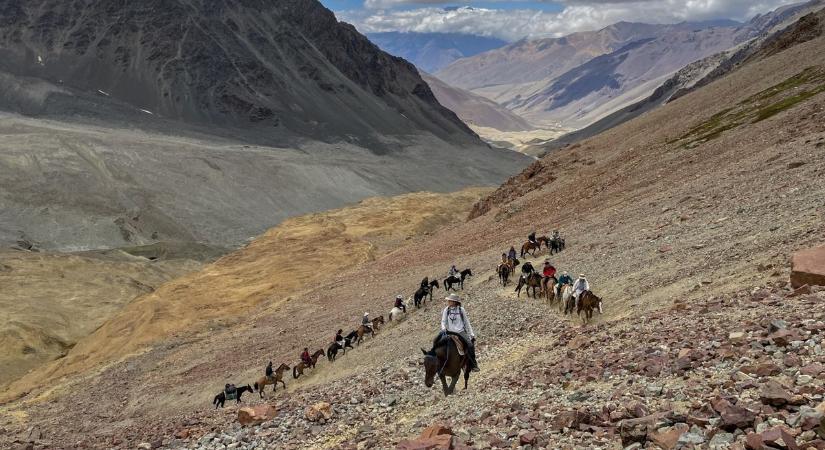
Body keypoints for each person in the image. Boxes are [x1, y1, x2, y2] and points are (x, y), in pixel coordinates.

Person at [439, 293, 479, 372]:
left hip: (460, 331)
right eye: (448, 301)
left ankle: (474, 365)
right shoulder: (446, 310)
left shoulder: (461, 310)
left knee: (470, 345)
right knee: (440, 346)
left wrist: (471, 333)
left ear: (454, 302)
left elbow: (467, 322)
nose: (448, 302)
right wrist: (443, 328)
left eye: (450, 301)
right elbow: (443, 321)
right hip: (450, 332)